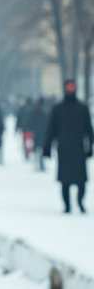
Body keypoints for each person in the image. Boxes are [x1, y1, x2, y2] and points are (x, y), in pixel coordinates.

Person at [43, 80, 93, 213]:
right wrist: (47, 147)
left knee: (79, 180)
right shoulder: (60, 109)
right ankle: (68, 205)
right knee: (67, 181)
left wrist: (90, 147)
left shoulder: (80, 108)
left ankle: (78, 202)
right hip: (67, 149)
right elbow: (51, 129)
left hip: (75, 149)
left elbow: (89, 130)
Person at [29, 97, 50, 172]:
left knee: (37, 149)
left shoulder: (34, 112)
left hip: (37, 133)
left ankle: (37, 164)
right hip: (41, 133)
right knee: (40, 149)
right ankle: (40, 165)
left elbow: (30, 122)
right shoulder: (45, 112)